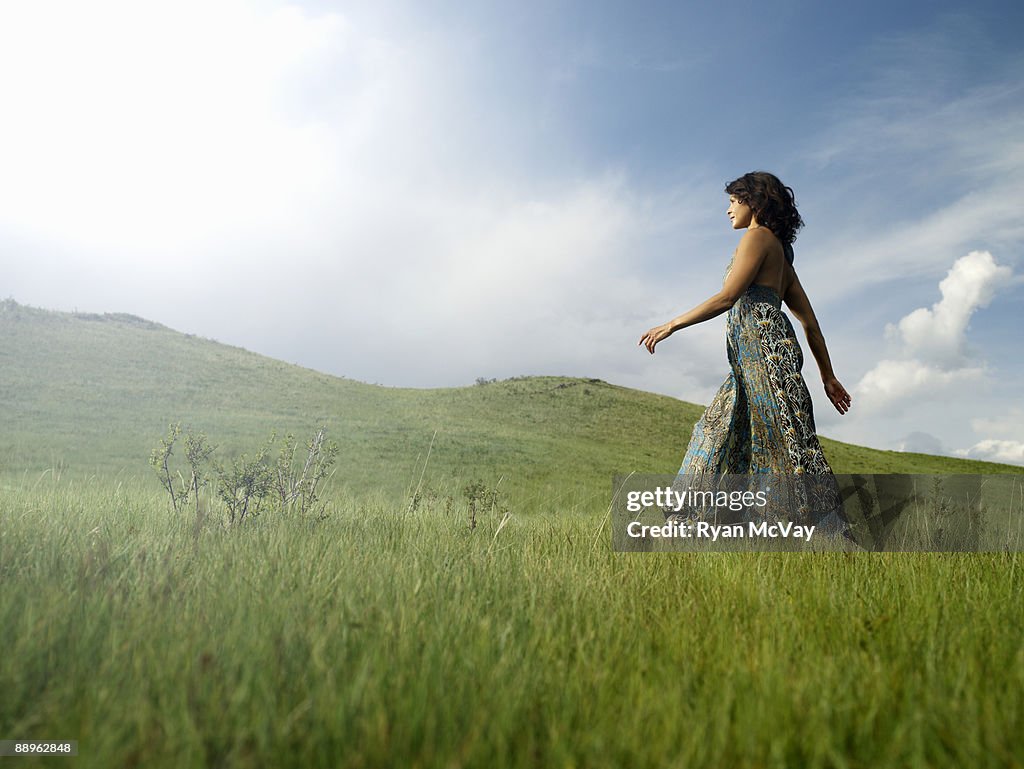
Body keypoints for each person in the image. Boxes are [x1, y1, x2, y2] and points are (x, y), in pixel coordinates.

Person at [638, 171, 851, 531]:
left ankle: (812, 532)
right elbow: (811, 325)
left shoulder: (758, 237)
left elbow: (728, 296)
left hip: (766, 361)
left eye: (733, 201)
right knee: (727, 431)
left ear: (754, 202)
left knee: (780, 444)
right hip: (753, 365)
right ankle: (710, 522)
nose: (728, 210)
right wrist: (827, 376)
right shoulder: (782, 258)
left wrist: (670, 324)